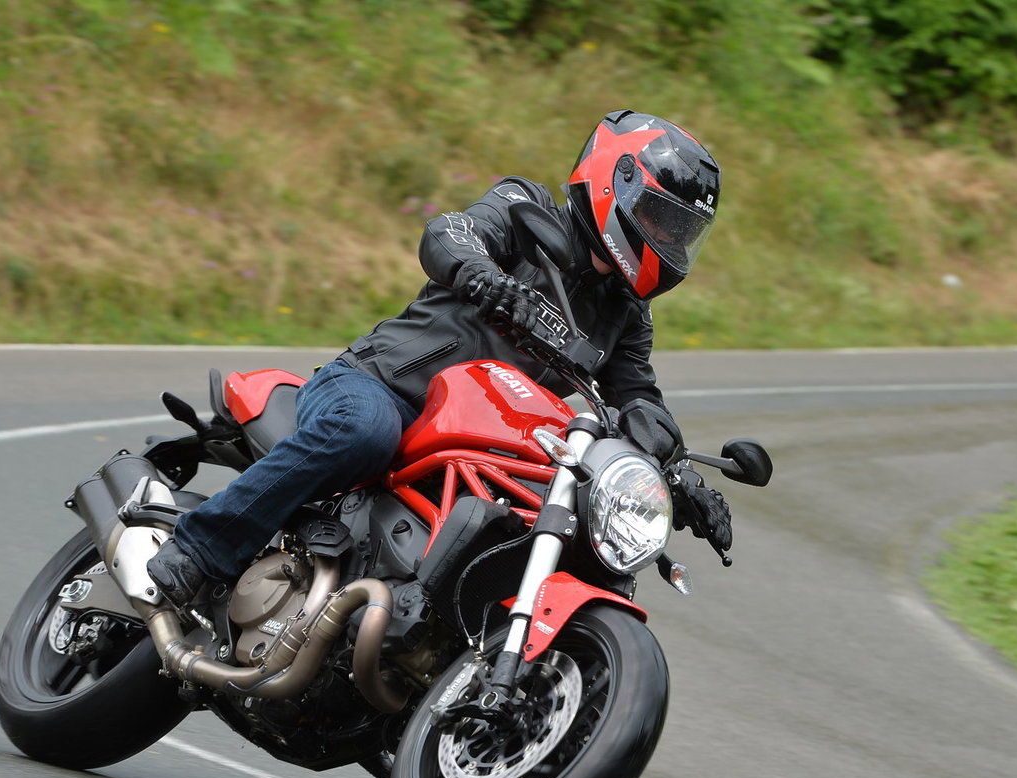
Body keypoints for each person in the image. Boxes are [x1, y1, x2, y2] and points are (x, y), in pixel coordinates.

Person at [148, 108, 730, 607]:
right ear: (616, 183)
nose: (669, 239)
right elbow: (452, 232)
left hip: (483, 443)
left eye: (681, 230)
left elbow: (638, 400)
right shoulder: (526, 208)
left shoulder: (625, 315)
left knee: (559, 523)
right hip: (381, 388)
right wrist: (484, 276)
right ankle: (200, 548)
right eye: (661, 218)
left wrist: (679, 476)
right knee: (363, 432)